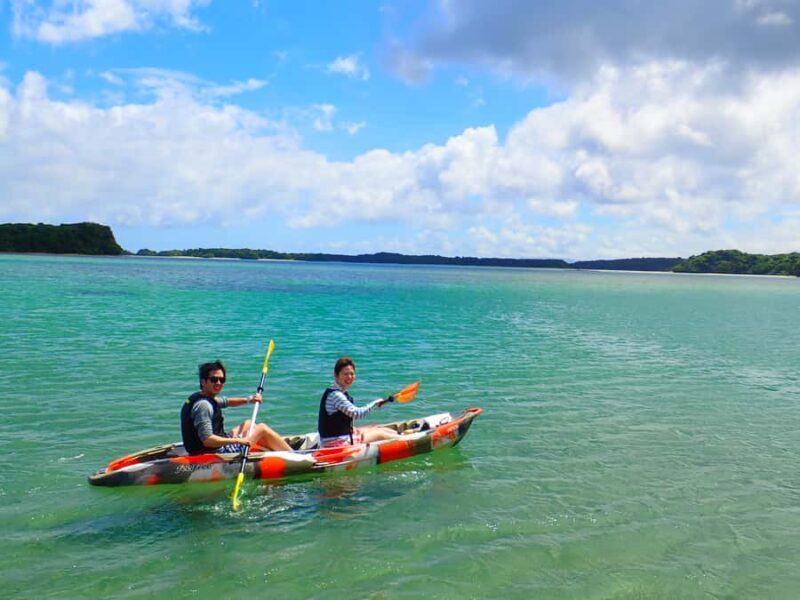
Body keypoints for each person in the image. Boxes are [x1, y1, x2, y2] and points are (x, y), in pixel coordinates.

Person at [181, 360, 292, 455]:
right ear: (203, 381)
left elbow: (227, 402)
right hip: (213, 453)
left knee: (249, 423)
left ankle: (271, 447)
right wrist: (239, 441)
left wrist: (249, 400)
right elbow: (207, 440)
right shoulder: (203, 406)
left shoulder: (203, 397)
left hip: (208, 447)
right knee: (261, 428)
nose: (218, 383)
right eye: (214, 379)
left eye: (222, 380)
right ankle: (294, 455)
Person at [318, 356, 401, 447]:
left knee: (376, 427)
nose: (349, 377)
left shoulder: (336, 391)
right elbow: (357, 414)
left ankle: (402, 434)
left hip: (338, 437)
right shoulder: (336, 395)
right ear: (336, 375)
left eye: (352, 374)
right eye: (345, 374)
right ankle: (407, 439)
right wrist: (374, 403)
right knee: (380, 434)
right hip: (335, 443)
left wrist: (350, 428)